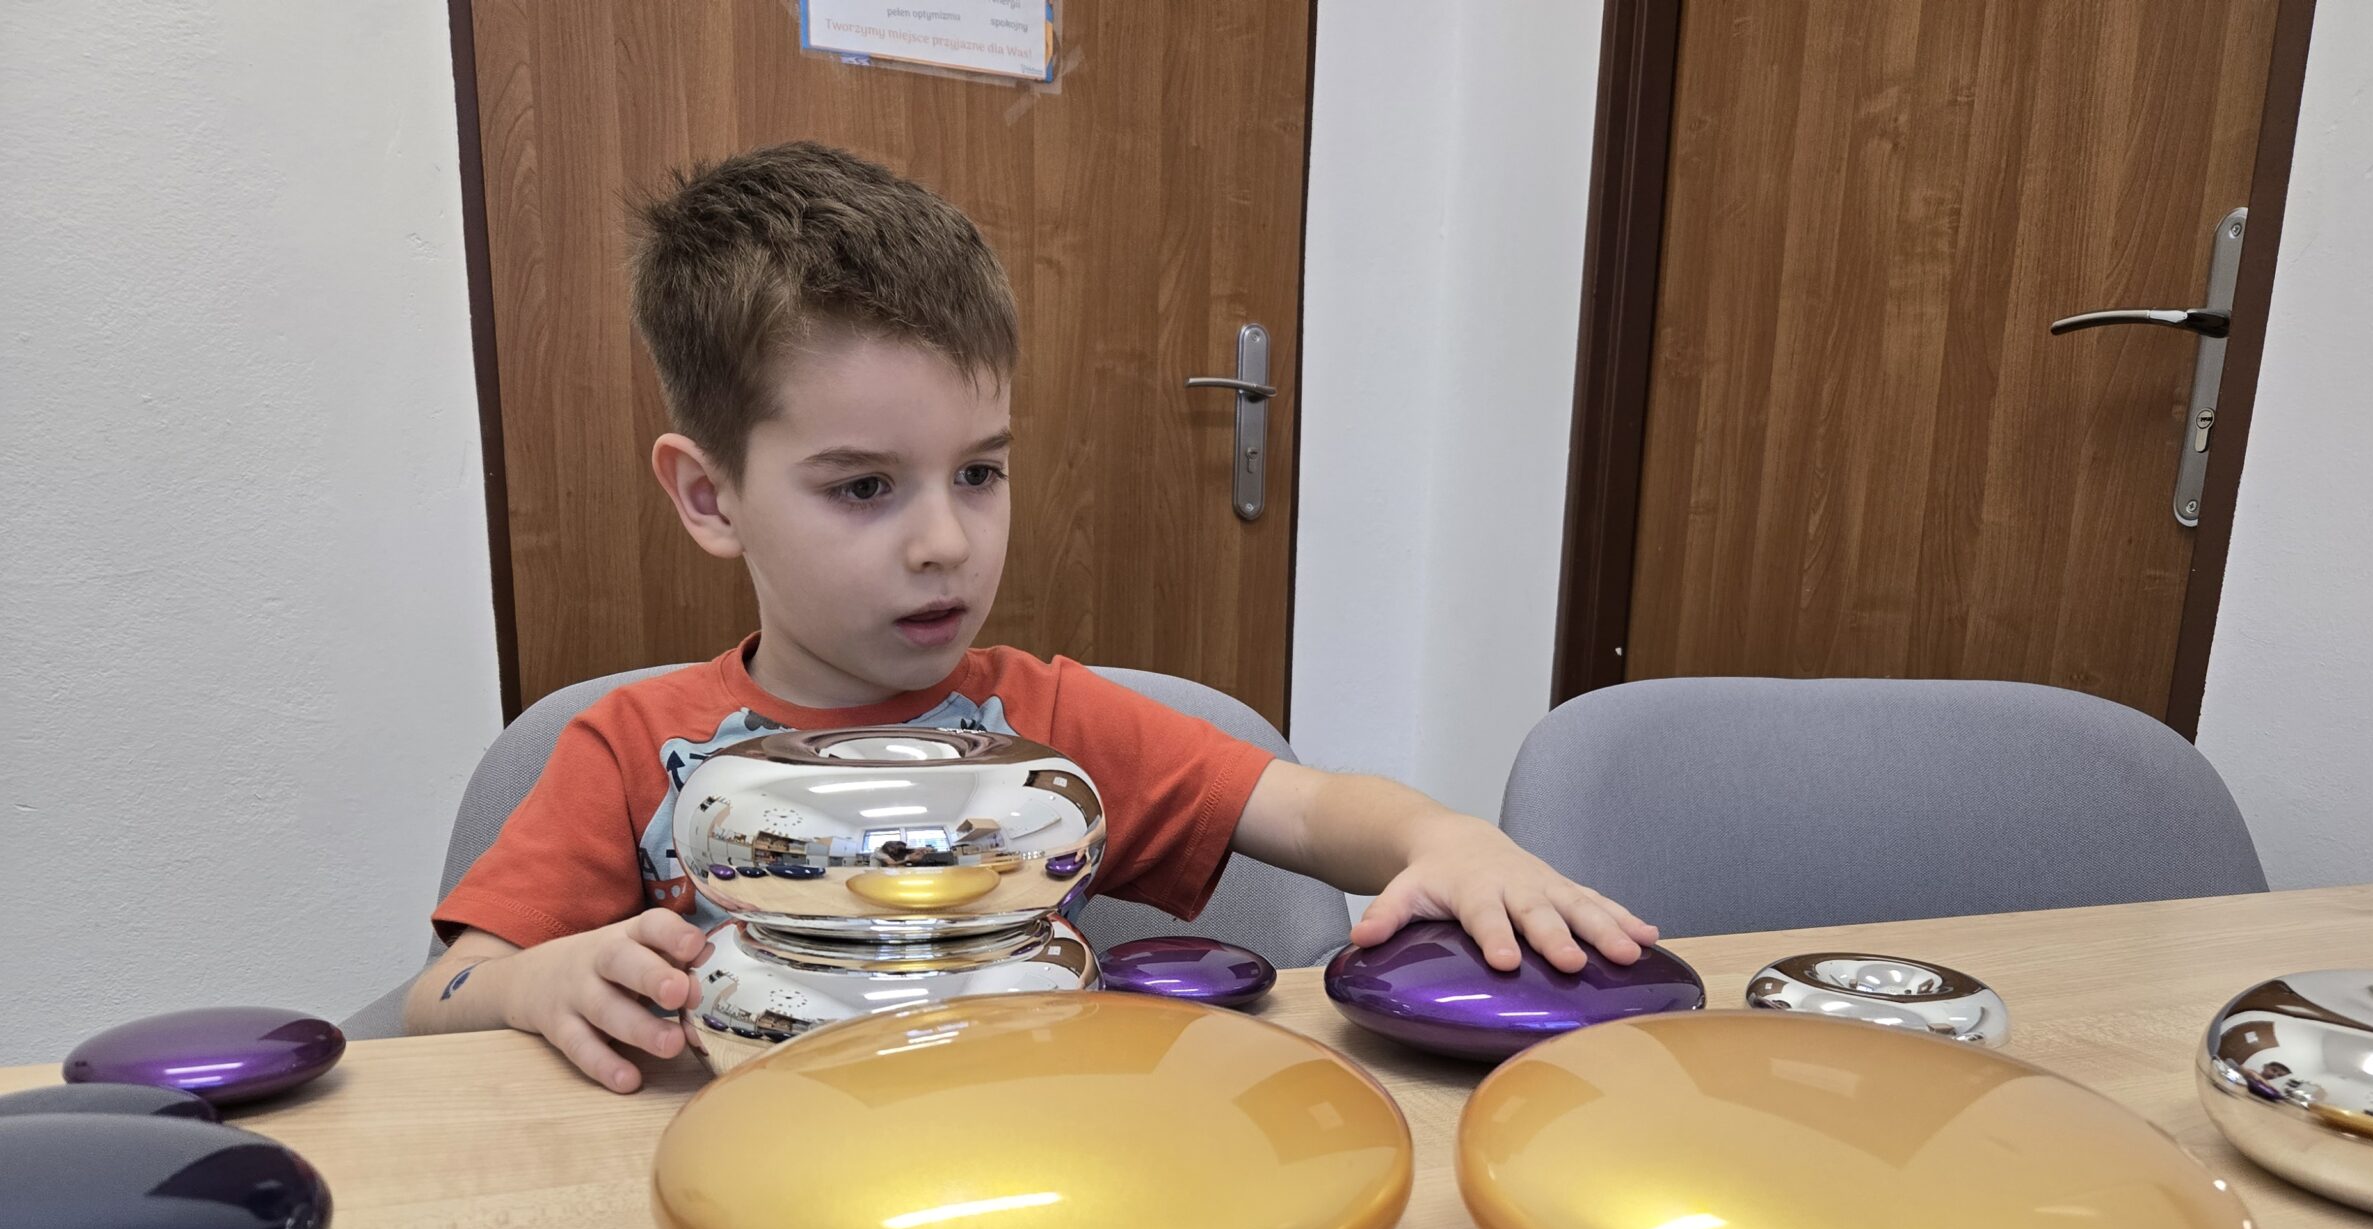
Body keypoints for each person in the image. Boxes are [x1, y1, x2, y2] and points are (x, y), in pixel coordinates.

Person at [404, 142, 1655, 1091]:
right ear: (707, 496)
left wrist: (1449, 839)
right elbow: (442, 993)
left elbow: (1314, 810)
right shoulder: (630, 748)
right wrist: (539, 980)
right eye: (864, 487)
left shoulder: (1045, 723)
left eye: (979, 472)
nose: (946, 541)